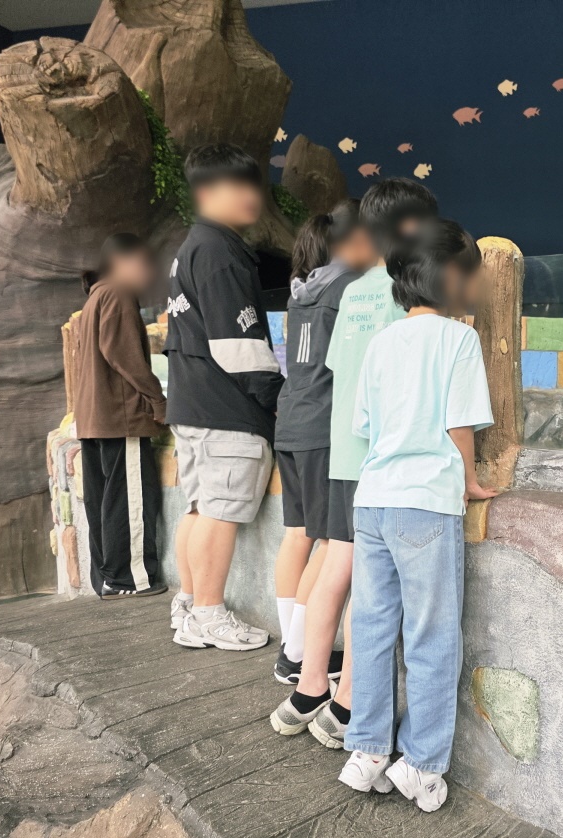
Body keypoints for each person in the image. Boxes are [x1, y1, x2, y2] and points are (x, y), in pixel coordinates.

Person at [269, 178, 438, 746]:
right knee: (369, 582)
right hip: (378, 457)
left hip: (342, 447)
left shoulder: (355, 289)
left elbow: (341, 369)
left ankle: (308, 686)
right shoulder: (402, 293)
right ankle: (345, 705)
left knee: (335, 561)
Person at [337, 219, 498, 812]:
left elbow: (366, 424)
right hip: (426, 501)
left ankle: (368, 751)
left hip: (373, 499)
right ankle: (423, 765)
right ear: (450, 276)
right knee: (432, 637)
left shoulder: (381, 342)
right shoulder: (459, 340)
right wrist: (471, 481)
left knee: (373, 628)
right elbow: (459, 424)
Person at [164, 144, 283, 651]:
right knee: (220, 511)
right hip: (225, 409)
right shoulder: (219, 252)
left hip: (192, 403)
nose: (251, 195)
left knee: (198, 507)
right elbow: (238, 346)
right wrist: (279, 399)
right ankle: (210, 613)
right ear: (207, 192)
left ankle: (190, 606)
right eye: (238, 185)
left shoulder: (193, 246)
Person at [270, 199, 376, 688]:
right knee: (332, 543)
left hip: (291, 420)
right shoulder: (350, 288)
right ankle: (296, 653)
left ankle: (292, 649)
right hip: (322, 427)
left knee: (299, 535)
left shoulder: (302, 291)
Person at [74, 233, 167, 599]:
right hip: (120, 416)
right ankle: (129, 578)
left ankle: (108, 578)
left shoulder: (96, 297)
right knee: (129, 500)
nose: (148, 272)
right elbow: (125, 357)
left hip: (96, 418)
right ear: (123, 262)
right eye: (143, 263)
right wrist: (158, 400)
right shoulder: (117, 294)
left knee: (104, 502)